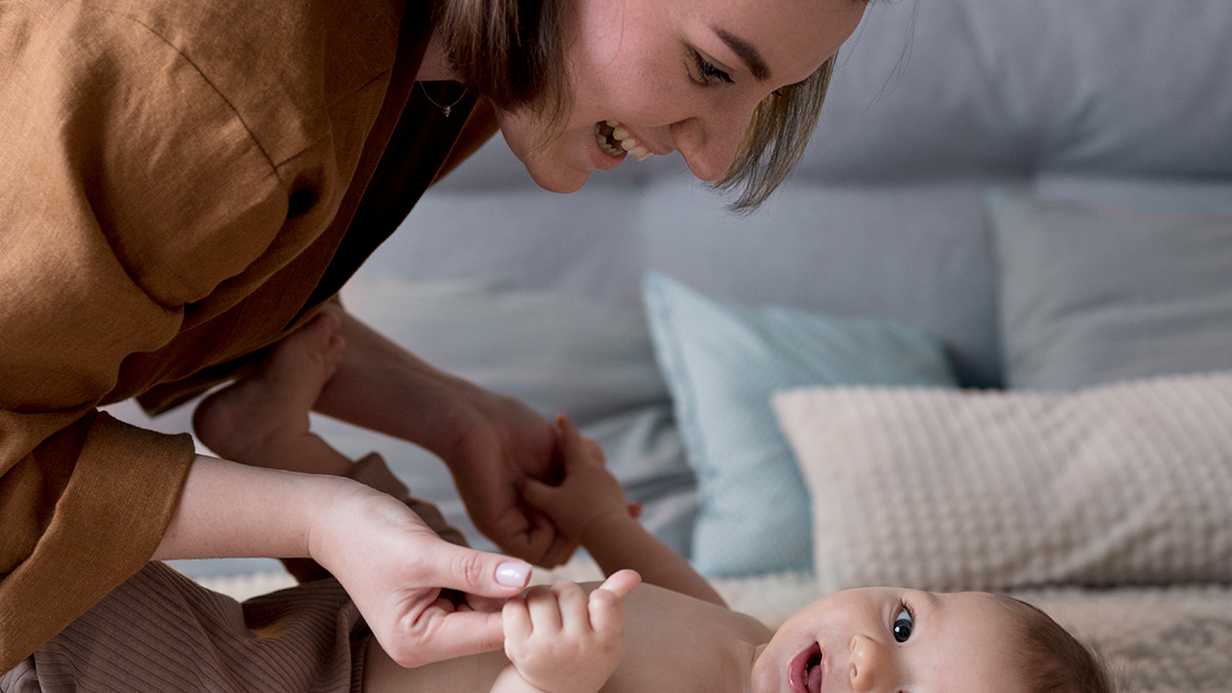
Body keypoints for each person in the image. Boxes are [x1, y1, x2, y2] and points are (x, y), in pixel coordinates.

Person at [0, 0, 869, 688]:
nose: (715, 161)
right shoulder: (215, 78)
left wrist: (453, 416)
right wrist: (314, 512)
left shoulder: (483, 58)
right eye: (711, 67)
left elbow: (190, 270)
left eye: (765, 97)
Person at [174, 317, 1116, 692]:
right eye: (905, 623)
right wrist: (601, 520)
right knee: (411, 531)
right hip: (411, 602)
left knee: (133, 649)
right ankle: (274, 445)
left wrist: (549, 683)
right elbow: (676, 592)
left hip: (320, 683)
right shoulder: (750, 642)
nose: (871, 660)